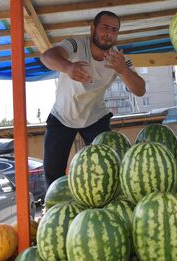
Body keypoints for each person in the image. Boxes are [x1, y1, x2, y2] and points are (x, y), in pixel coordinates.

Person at [40, 11, 146, 187]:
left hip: (95, 118)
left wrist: (123, 71)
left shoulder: (119, 59)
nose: (109, 33)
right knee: (53, 175)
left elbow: (140, 90)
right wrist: (68, 67)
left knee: (110, 169)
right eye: (105, 27)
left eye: (114, 30)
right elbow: (46, 57)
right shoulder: (75, 44)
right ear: (93, 28)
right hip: (62, 116)